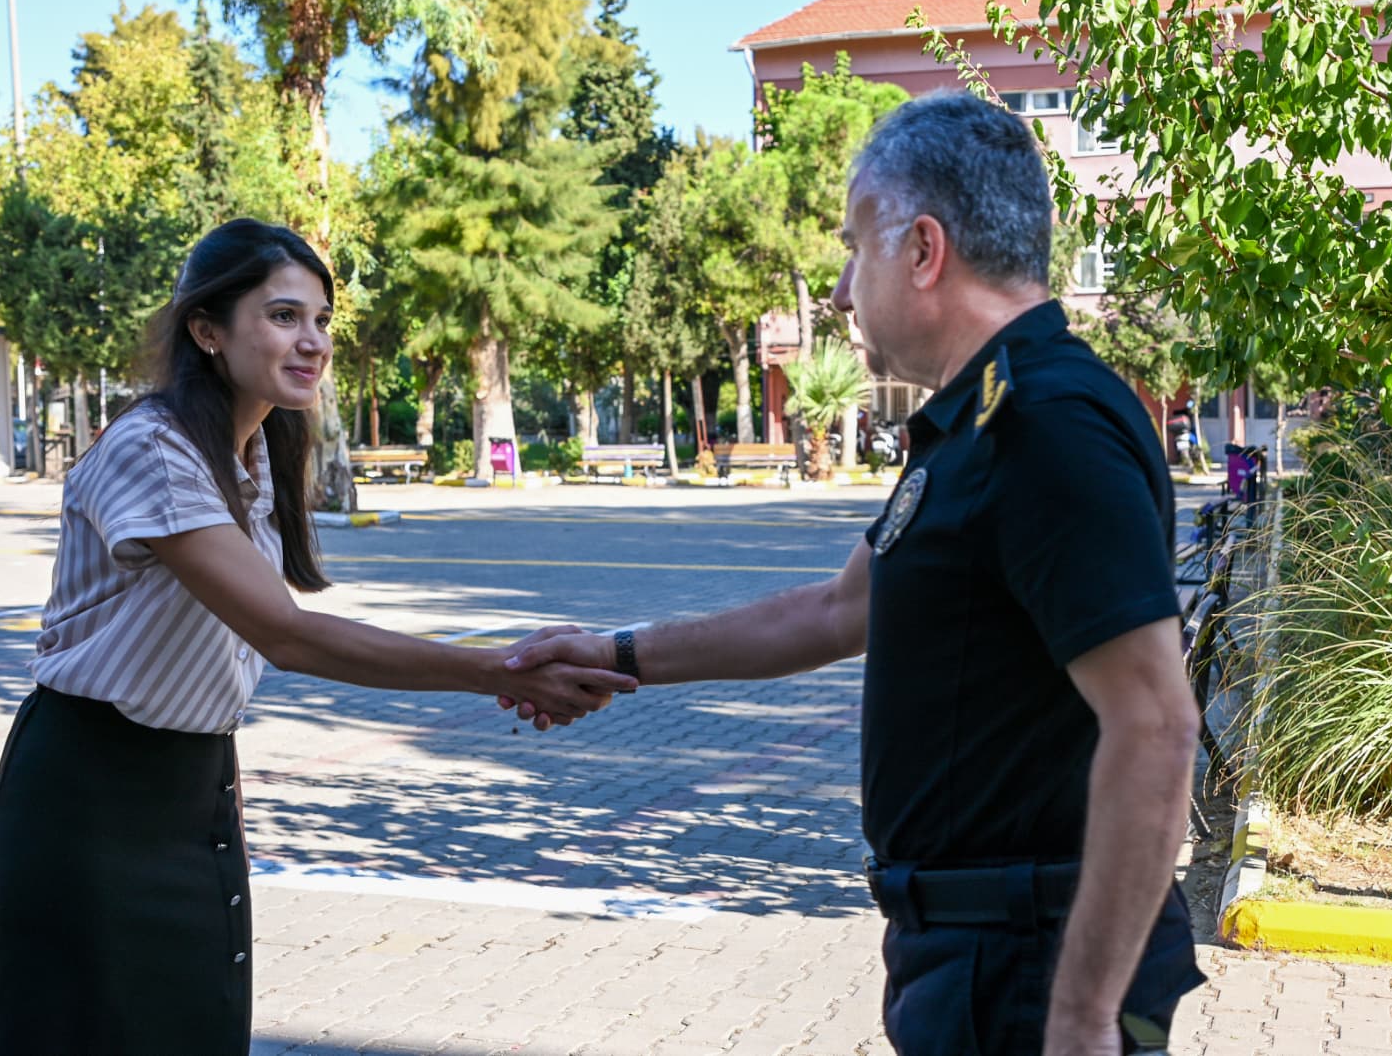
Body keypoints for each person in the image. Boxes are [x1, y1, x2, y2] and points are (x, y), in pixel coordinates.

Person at [503, 92, 1206, 1056]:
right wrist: (617, 654)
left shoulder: (1046, 423)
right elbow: (836, 610)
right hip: (975, 951)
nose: (839, 290)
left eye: (853, 248)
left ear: (923, 251)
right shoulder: (977, 422)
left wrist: (1081, 1020)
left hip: (1035, 966)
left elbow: (1157, 724)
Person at [0, 218, 634, 1055]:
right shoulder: (153, 449)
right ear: (206, 330)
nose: (312, 341)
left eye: (321, 320)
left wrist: (220, 806)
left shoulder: (250, 459)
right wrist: (502, 670)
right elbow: (287, 636)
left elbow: (217, 673)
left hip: (188, 797)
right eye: (284, 316)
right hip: (83, 812)